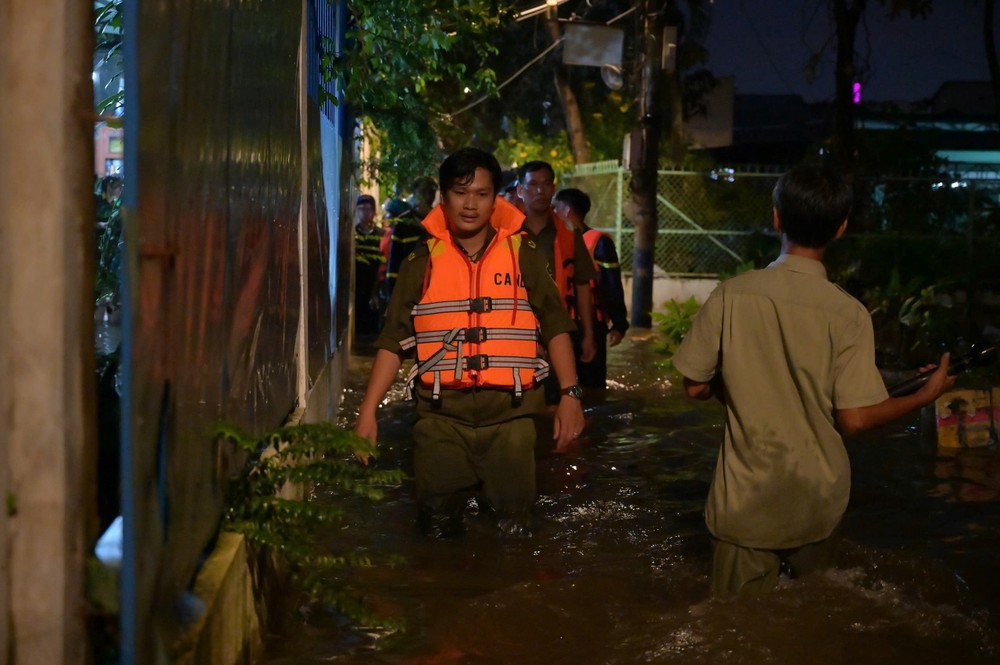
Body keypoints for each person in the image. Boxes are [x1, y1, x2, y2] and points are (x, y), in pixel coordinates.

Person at [672, 163, 956, 596]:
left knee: (736, 624)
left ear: (776, 218)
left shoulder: (732, 295)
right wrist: (924, 395)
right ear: (840, 229)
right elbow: (855, 418)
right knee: (818, 609)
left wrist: (739, 388)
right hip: (817, 499)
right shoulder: (849, 314)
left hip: (745, 501)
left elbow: (695, 386)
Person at [353, 147, 585, 538]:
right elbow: (393, 341)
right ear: (443, 198)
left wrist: (570, 394)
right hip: (440, 419)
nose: (471, 204)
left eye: (481, 193)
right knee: (436, 530)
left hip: (511, 419)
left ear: (496, 199)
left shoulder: (523, 254)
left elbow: (555, 324)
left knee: (515, 532)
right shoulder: (422, 261)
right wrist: (367, 411)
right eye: (460, 193)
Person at [517, 161, 597, 403]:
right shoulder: (505, 232)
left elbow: (583, 285)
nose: (539, 191)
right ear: (520, 190)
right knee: (520, 396)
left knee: (563, 393)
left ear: (553, 189)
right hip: (516, 329)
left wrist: (589, 335)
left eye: (545, 184)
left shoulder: (569, 233)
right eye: (532, 184)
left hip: (557, 328)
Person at [553, 187, 629, 389]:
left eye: (556, 208)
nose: (553, 212)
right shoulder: (555, 241)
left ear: (567, 210)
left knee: (591, 384)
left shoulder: (599, 242)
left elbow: (612, 284)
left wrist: (619, 324)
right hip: (563, 322)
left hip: (591, 324)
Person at [353, 194, 384, 340]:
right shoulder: (353, 235)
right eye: (362, 208)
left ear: (374, 212)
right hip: (356, 285)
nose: (365, 212)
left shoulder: (381, 235)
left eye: (368, 209)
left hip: (374, 283)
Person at [382, 196, 424, 303]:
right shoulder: (419, 225)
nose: (386, 217)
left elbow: (394, 263)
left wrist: (391, 293)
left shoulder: (400, 229)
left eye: (388, 213)